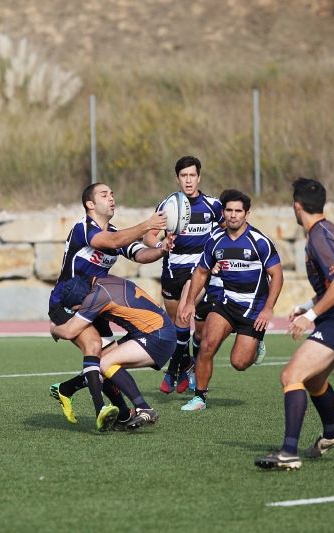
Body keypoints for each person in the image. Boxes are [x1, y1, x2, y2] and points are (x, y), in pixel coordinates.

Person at [255, 177, 334, 471]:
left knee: (291, 376)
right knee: (314, 380)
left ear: (297, 206)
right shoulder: (327, 230)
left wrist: (310, 316)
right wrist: (306, 306)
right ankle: (332, 433)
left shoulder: (319, 236)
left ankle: (289, 452)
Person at [47, 183, 171, 429]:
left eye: (113, 194)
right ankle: (101, 410)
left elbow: (139, 254)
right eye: (104, 195)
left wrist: (161, 248)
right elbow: (112, 241)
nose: (111, 198)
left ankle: (119, 411)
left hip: (95, 301)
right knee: (94, 348)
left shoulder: (115, 232)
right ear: (89, 204)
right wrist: (147, 225)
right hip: (66, 302)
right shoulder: (83, 229)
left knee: (108, 362)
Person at [178, 189, 283, 411]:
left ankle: (256, 344)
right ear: (223, 212)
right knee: (207, 345)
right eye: (229, 210)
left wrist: (268, 309)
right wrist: (189, 301)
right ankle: (199, 398)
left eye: (238, 211)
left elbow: (277, 275)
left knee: (239, 363)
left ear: (246, 213)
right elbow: (201, 272)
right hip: (226, 303)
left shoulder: (259, 241)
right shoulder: (215, 241)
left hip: (254, 309)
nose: (233, 215)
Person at [144, 155, 226, 394]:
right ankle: (187, 362)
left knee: (183, 317)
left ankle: (172, 370)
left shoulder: (213, 206)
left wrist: (218, 259)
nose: (188, 180)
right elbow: (149, 237)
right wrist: (161, 245)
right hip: (172, 272)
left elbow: (226, 232)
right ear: (177, 178)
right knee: (176, 329)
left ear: (199, 177)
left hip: (199, 271)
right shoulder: (168, 205)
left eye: (192, 175)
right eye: (184, 176)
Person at [50, 275, 176, 430]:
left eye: (77, 308)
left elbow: (70, 332)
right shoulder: (104, 281)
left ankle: (144, 408)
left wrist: (54, 329)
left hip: (157, 336)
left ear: (81, 300)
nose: (77, 311)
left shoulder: (96, 297)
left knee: (104, 364)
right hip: (151, 332)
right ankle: (68, 389)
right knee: (100, 363)